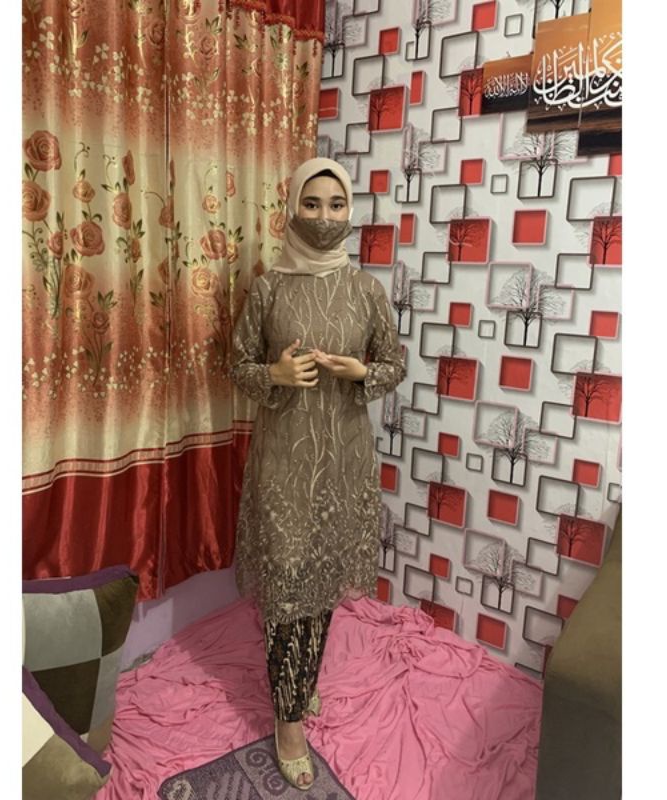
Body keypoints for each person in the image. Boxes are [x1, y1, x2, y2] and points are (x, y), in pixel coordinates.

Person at [230, 157, 406, 790]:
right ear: (292, 210)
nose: (325, 217)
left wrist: (362, 373)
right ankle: (288, 722)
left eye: (336, 205)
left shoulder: (365, 290)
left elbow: (393, 362)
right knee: (287, 585)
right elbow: (238, 365)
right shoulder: (268, 289)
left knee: (323, 580)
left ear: (349, 209)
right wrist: (273, 375)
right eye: (312, 203)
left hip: (343, 459)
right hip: (283, 460)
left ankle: (300, 684)